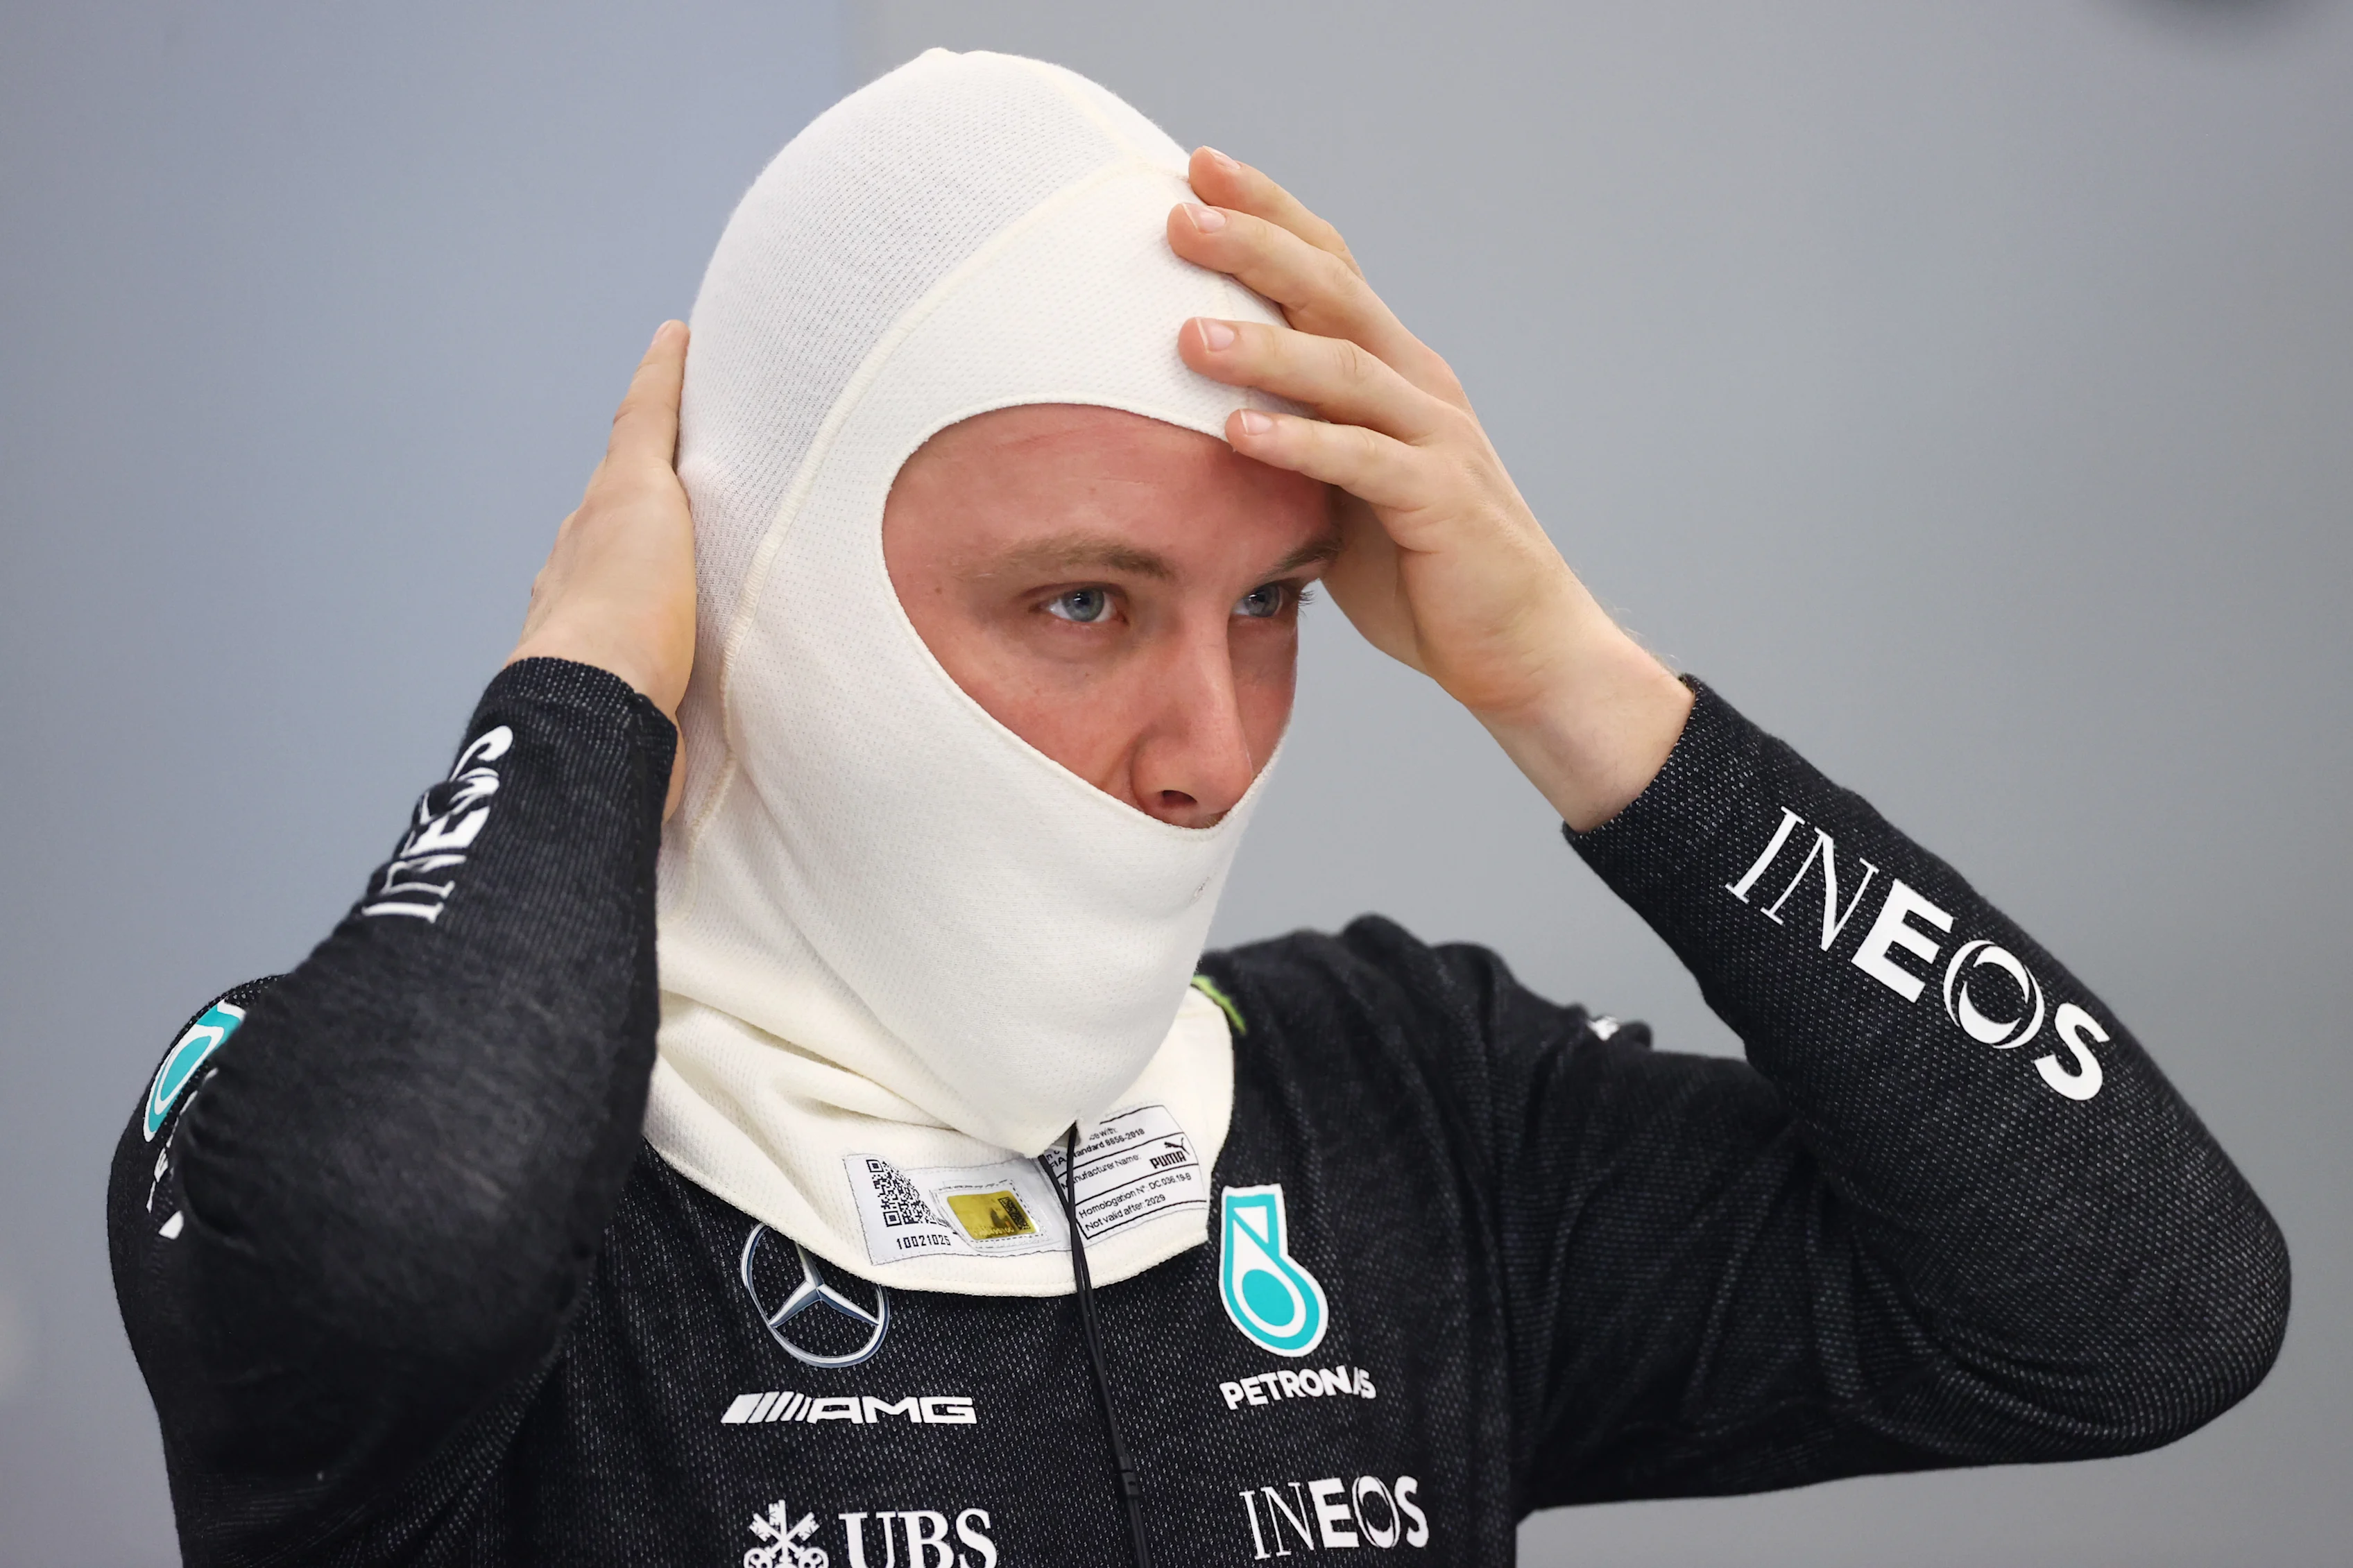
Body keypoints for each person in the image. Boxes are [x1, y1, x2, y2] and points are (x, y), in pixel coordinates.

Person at [110, 50, 2286, 1568]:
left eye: (1273, 605)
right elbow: (402, 1223)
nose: (1213, 744)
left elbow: (2150, 1308)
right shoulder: (372, 1139)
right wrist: (592, 681)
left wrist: (1584, 690)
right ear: (757, 589)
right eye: (1084, 599)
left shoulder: (1401, 1108)